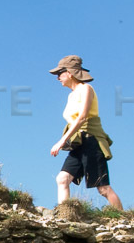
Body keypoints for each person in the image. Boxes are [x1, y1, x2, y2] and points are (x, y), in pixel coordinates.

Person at [49, 55, 123, 210]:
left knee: (103, 188)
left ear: (69, 73)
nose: (58, 78)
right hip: (78, 142)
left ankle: (125, 221)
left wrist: (62, 140)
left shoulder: (86, 89)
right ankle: (64, 215)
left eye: (59, 74)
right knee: (62, 179)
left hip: (91, 140)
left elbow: (82, 117)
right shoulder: (71, 95)